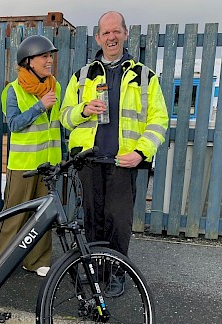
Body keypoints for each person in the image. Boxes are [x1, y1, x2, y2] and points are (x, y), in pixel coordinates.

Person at [60, 11, 169, 296]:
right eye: (105, 33)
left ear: (125, 33)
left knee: (118, 223)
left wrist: (141, 152)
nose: (111, 37)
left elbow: (159, 120)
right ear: (98, 37)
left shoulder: (145, 77)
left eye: (115, 32)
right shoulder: (82, 76)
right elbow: (64, 117)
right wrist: (83, 110)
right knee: (92, 221)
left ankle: (116, 273)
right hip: (89, 161)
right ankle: (94, 272)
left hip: (124, 162)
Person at [0, 35, 62, 277]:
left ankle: (37, 260)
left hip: (48, 165)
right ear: (28, 61)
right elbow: (14, 124)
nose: (49, 60)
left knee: (43, 216)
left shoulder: (56, 86)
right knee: (14, 215)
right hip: (22, 166)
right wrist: (40, 106)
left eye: (50, 56)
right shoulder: (13, 90)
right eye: (44, 56)